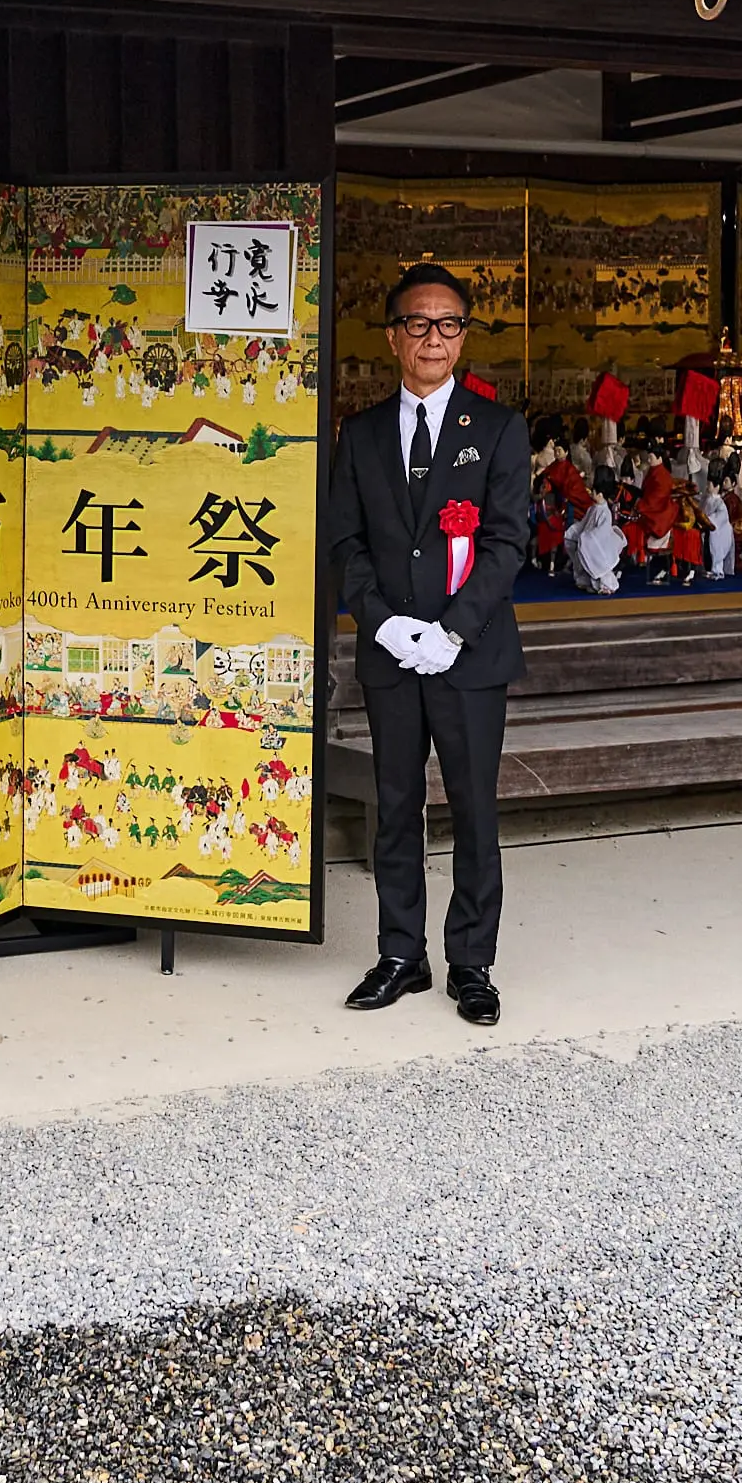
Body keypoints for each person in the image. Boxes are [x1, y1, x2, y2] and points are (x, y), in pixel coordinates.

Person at [323, 263, 531, 1027]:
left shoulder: (498, 429)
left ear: (463, 337)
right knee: (396, 805)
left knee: (474, 808)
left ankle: (471, 962)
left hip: (468, 655)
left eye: (448, 324)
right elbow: (346, 542)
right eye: (418, 322)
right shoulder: (362, 434)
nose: (433, 337)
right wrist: (382, 622)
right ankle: (401, 952)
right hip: (392, 652)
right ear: (393, 337)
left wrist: (450, 631)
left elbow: (507, 544)